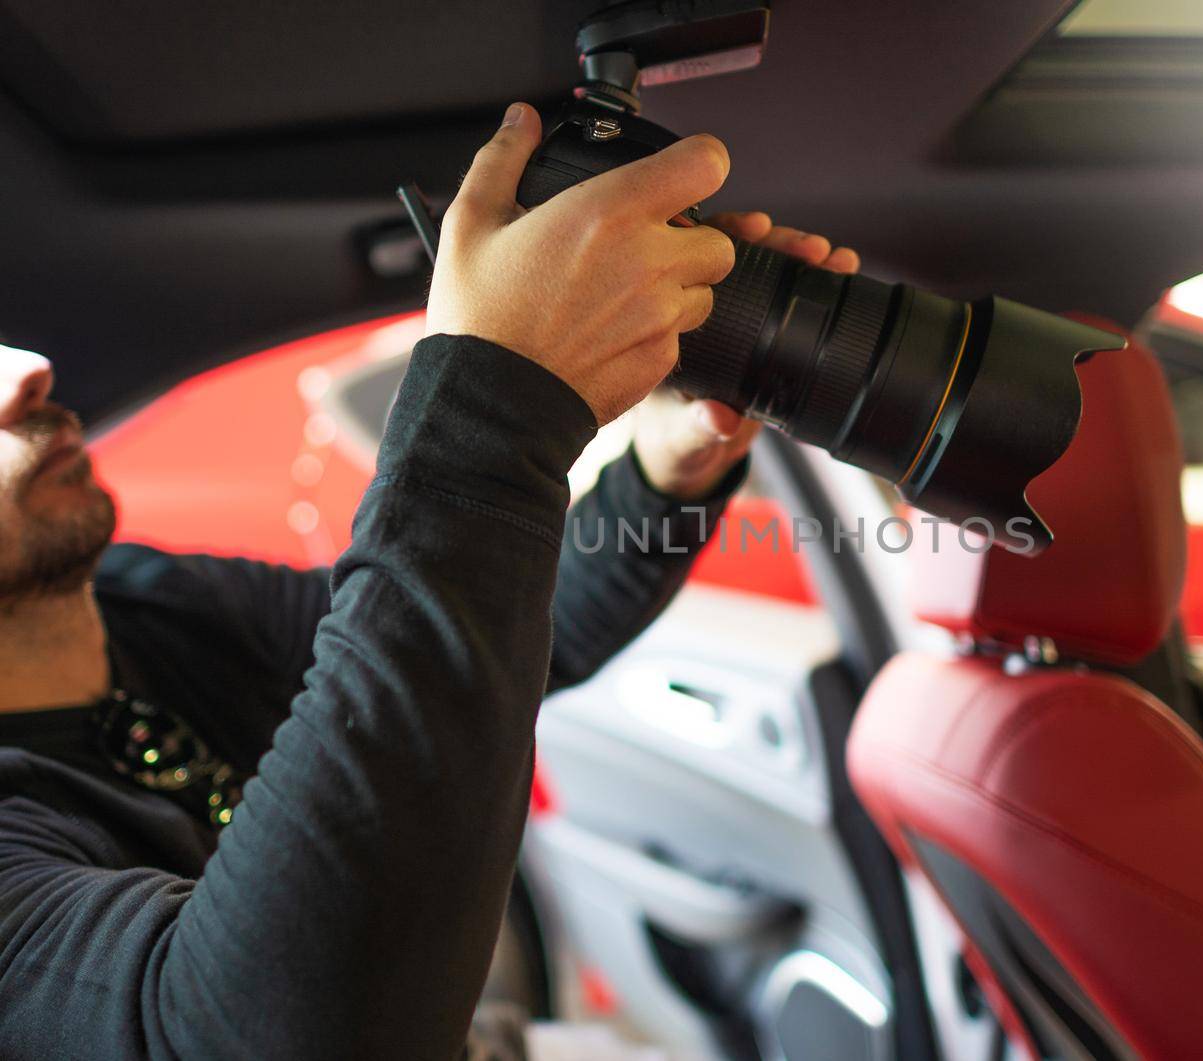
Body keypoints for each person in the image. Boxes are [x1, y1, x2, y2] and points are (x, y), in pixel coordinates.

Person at [0, 102, 857, 1059]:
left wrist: (667, 470)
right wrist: (496, 400)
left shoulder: (144, 603)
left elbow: (492, 641)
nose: (25, 377)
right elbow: (250, 1035)